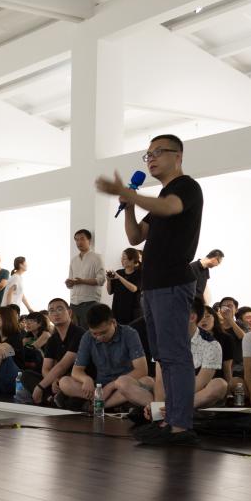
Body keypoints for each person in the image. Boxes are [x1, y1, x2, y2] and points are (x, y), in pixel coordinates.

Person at [97, 133, 204, 445]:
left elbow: (170, 208)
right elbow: (135, 237)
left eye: (158, 152)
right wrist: (129, 205)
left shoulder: (185, 187)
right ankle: (170, 420)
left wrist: (127, 193)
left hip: (172, 282)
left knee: (175, 355)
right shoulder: (158, 199)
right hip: (153, 286)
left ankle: (181, 426)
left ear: (178, 156)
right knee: (164, 357)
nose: (151, 158)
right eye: (148, 154)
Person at [116, 297, 230, 417]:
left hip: (193, 396)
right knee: (123, 382)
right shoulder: (164, 341)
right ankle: (159, 411)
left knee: (220, 385)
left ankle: (169, 410)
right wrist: (159, 405)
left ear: (191, 317)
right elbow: (160, 380)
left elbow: (199, 383)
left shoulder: (211, 344)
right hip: (169, 391)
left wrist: (172, 403)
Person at [57, 304, 148, 411]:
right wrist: (86, 379)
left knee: (145, 381)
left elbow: (142, 370)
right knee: (64, 382)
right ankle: (108, 403)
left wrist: (111, 386)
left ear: (113, 322)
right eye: (95, 333)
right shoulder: (87, 337)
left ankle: (99, 405)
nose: (99, 337)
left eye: (103, 332)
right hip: (100, 388)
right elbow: (76, 371)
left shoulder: (129, 334)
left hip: (125, 384)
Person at [31, 298, 85, 406]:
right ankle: (55, 398)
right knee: (27, 376)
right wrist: (54, 380)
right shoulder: (52, 339)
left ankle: (52, 399)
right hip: (58, 380)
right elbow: (46, 368)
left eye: (60, 309)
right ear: (49, 316)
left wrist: (40, 387)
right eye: (51, 311)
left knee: (66, 388)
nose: (56, 313)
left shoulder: (79, 333)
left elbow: (63, 365)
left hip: (77, 380)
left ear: (69, 312)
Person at [66, 230, 105, 327]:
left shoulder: (97, 257)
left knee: (91, 331)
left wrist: (82, 281)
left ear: (89, 240)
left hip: (90, 302)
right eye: (76, 240)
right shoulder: (74, 260)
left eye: (82, 239)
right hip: (74, 303)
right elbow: (71, 283)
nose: (79, 242)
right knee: (75, 332)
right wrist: (69, 283)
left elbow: (101, 280)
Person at [104, 248, 143, 326]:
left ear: (132, 260)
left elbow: (134, 289)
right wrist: (108, 281)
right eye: (121, 258)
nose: (121, 260)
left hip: (132, 311)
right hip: (117, 310)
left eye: (124, 258)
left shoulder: (140, 273)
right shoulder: (119, 272)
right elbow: (109, 292)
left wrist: (119, 278)